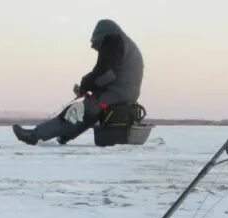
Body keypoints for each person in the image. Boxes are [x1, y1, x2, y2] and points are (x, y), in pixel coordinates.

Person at [12, 19, 144, 145]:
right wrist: (89, 87)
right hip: (123, 93)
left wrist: (85, 85)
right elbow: (109, 74)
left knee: (79, 110)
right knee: (92, 109)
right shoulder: (123, 41)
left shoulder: (112, 40)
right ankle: (65, 135)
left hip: (117, 94)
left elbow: (103, 72)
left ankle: (35, 135)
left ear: (101, 37)